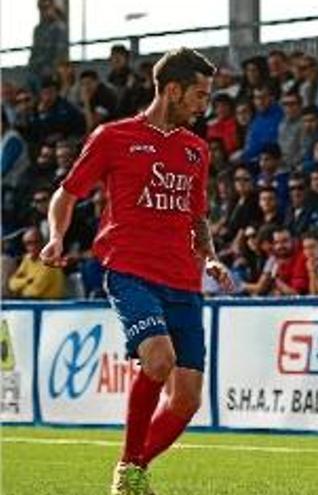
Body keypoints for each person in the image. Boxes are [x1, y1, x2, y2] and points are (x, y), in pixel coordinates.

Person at [38, 48, 233, 495]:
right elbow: (66, 194)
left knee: (186, 399)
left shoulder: (196, 149)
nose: (204, 104)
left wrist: (211, 256)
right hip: (130, 270)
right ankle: (128, 468)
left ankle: (137, 466)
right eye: (199, 95)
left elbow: (196, 216)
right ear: (172, 89)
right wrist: (56, 237)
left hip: (183, 280)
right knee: (159, 360)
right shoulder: (114, 137)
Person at [8, 227, 65, 299]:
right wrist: (27, 281)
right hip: (33, 304)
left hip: (51, 306)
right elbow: (12, 283)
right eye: (28, 243)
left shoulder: (49, 261)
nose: (32, 247)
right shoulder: (27, 259)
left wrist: (19, 290)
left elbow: (34, 292)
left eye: (36, 242)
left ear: (42, 243)